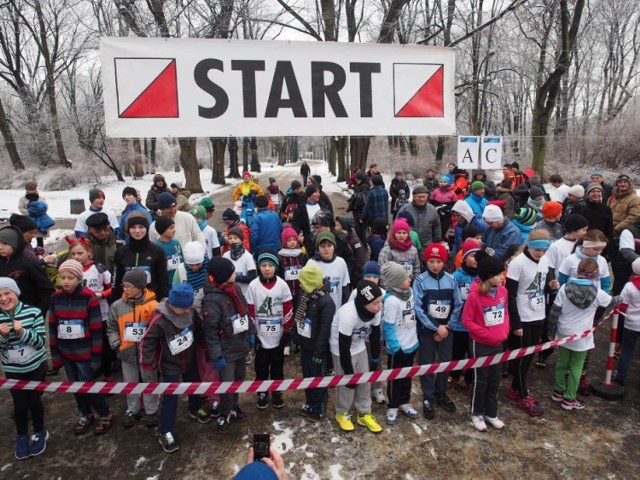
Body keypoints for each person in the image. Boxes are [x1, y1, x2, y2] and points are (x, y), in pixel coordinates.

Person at [141, 284, 210, 452]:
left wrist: (205, 347)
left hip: (190, 359)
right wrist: (147, 362)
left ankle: (195, 408)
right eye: (182, 308)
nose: (186, 311)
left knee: (194, 385)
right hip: (170, 364)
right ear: (171, 304)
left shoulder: (191, 312)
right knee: (170, 397)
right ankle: (165, 431)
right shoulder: (160, 320)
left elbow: (199, 330)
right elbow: (147, 341)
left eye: (188, 307)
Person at [49, 259, 115, 436]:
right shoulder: (55, 298)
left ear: (79, 278)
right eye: (62, 277)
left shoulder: (89, 297)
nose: (66, 281)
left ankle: (105, 413)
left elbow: (96, 330)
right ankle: (86, 413)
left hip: (85, 352)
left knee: (87, 384)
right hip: (66, 352)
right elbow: (53, 328)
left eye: (70, 277)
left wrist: (95, 357)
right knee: (73, 385)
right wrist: (55, 355)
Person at [548, 258, 614, 410]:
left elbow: (554, 312)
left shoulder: (564, 288)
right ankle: (570, 399)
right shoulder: (598, 293)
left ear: (578, 271)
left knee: (562, 362)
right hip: (582, 335)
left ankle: (558, 391)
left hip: (564, 331)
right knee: (576, 366)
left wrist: (551, 332)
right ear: (595, 275)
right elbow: (612, 302)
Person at [505, 229, 558, 417]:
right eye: (538, 251)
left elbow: (541, 284)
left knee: (531, 355)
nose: (541, 254)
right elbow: (510, 295)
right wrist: (516, 323)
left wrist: (550, 287)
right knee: (521, 356)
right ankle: (522, 394)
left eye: (544, 251)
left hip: (539, 313)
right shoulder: (517, 263)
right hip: (522, 315)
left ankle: (515, 388)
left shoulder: (545, 260)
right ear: (529, 246)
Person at [201, 256, 256, 433]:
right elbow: (210, 331)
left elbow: (245, 312)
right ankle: (224, 413)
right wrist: (216, 355)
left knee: (239, 379)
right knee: (227, 383)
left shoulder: (235, 288)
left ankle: (234, 405)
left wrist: (251, 332)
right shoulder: (211, 299)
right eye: (232, 271)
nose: (236, 273)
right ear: (224, 275)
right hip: (226, 351)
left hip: (240, 344)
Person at [0, 277, 48, 459]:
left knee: (34, 401)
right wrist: (3, 337)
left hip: (34, 366)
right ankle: (22, 435)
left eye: (7, 293)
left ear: (16, 293)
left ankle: (40, 431)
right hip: (13, 369)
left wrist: (22, 332)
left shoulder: (33, 312)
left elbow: (41, 341)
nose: (3, 298)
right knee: (19, 405)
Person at [461, 254, 510, 432]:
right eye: (498, 275)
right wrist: (486, 333)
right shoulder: (474, 296)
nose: (502, 277)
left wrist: (504, 330)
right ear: (488, 277)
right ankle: (477, 413)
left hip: (498, 343)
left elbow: (505, 313)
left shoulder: (503, 291)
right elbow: (467, 321)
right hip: (480, 343)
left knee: (495, 379)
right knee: (480, 380)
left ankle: (491, 413)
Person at [413, 243, 462, 420]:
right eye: (431, 261)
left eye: (439, 261)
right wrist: (435, 326)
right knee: (427, 362)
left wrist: (448, 326)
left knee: (445, 362)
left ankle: (441, 392)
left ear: (444, 261)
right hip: (428, 330)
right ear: (426, 261)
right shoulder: (419, 282)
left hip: (447, 330)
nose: (435, 265)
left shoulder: (451, 279)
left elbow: (458, 304)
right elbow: (418, 308)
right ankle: (428, 395)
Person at [106, 269, 160, 428]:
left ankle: (151, 410)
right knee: (130, 383)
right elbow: (111, 328)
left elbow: (158, 329)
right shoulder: (117, 306)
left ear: (141, 287)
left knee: (150, 381)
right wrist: (116, 344)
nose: (125, 289)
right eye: (124, 286)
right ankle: (133, 409)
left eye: (129, 286)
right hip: (126, 353)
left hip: (147, 354)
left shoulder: (153, 306)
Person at [330, 280, 384, 433]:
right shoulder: (348, 314)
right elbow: (343, 344)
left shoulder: (376, 310)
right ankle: (342, 412)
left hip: (359, 345)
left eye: (380, 302)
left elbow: (375, 335)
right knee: (346, 382)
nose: (379, 306)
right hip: (341, 348)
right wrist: (348, 370)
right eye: (375, 303)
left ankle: (364, 413)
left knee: (364, 380)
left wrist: (374, 359)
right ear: (364, 303)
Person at [246, 251, 293, 409]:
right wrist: (253, 332)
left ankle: (277, 391)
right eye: (263, 265)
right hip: (261, 335)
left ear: (276, 267)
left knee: (278, 365)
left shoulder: (282, 285)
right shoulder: (253, 286)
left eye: (270, 265)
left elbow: (288, 309)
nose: (267, 268)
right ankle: (262, 391)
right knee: (261, 366)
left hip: (278, 335)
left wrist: (286, 331)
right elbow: (250, 310)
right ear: (259, 267)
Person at [292, 263, 336, 422]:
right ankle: (310, 402)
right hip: (306, 345)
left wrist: (319, 352)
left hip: (318, 350)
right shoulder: (306, 296)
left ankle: (318, 408)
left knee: (318, 378)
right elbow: (298, 319)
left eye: (302, 281)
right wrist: (295, 338)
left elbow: (325, 331)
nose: (300, 284)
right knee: (307, 376)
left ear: (310, 281)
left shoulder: (326, 302)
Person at [67, 237, 114, 381]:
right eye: (73, 254)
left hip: (100, 314)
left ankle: (107, 374)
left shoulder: (99, 269)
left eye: (80, 253)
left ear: (89, 253)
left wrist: (100, 295)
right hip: (79, 316)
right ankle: (91, 372)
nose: (76, 257)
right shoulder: (69, 269)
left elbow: (112, 288)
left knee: (104, 346)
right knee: (87, 345)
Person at [380, 262, 420, 425]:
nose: (409, 279)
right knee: (395, 378)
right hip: (398, 349)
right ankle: (393, 405)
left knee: (407, 376)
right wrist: (396, 348)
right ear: (396, 282)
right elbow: (388, 327)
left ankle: (404, 401)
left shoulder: (409, 293)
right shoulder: (390, 301)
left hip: (411, 344)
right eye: (404, 278)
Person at [450, 239, 482, 391]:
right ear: (464, 258)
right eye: (472, 255)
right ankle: (454, 376)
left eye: (478, 256)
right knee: (457, 352)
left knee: (472, 354)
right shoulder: (456, 276)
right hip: (459, 324)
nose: (475, 259)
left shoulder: (483, 276)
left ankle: (470, 378)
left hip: (476, 324)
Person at [0, 226, 55, 314]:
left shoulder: (29, 263)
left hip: (27, 313)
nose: (0, 247)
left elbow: (47, 290)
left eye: (4, 243)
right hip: (4, 315)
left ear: (14, 243)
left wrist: (39, 313)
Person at [112, 214, 168, 301]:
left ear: (146, 228)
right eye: (133, 227)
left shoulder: (157, 251)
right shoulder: (120, 252)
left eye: (141, 227)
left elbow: (163, 281)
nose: (137, 231)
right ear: (128, 230)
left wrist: (161, 300)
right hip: (127, 301)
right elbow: (116, 281)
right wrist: (115, 301)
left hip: (151, 301)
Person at [307, 232, 350, 313]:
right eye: (322, 246)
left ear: (334, 247)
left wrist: (345, 309)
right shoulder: (311, 263)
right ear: (318, 248)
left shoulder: (341, 262)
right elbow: (307, 291)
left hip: (337, 310)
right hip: (318, 312)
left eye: (329, 246)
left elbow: (345, 287)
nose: (326, 249)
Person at [613, 258, 640, 388]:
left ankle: (620, 377)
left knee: (627, 351)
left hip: (632, 323)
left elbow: (622, 306)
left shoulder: (629, 286)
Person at [397, 185, 442, 258]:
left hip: (426, 247)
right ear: (414, 197)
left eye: (424, 197)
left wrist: (436, 242)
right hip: (409, 247)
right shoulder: (405, 210)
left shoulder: (432, 210)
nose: (422, 199)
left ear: (427, 196)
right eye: (419, 197)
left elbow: (437, 227)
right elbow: (397, 228)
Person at [377, 219, 421, 290]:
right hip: (392, 289)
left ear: (408, 234)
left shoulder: (413, 250)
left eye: (404, 233)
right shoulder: (387, 250)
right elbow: (382, 272)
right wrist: (388, 290)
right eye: (399, 233)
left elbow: (416, 269)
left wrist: (416, 287)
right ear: (394, 233)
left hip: (409, 288)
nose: (401, 235)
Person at [292, 184, 332, 252]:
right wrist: (300, 234)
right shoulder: (301, 208)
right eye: (316, 192)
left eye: (319, 192)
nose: (318, 194)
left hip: (323, 239)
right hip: (308, 242)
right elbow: (295, 224)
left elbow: (330, 221)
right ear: (309, 194)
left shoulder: (323, 206)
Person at [172, 241, 209, 312]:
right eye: (191, 265)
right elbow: (175, 291)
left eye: (198, 264)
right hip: (187, 311)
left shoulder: (209, 267)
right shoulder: (180, 270)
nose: (194, 267)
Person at [277, 226, 308, 307]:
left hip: (300, 292)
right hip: (285, 292)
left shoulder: (303, 256)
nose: (292, 242)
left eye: (294, 239)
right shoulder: (280, 257)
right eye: (289, 240)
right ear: (284, 242)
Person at [582, 183, 615, 258]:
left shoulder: (606, 209)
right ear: (588, 194)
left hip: (600, 246)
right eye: (593, 191)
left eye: (598, 191)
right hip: (585, 244)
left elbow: (609, 230)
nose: (596, 194)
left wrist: (609, 249)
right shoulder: (581, 208)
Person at [222, 227, 257, 296]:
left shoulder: (247, 256)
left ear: (241, 240)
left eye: (235, 238)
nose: (233, 241)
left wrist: (235, 278)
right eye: (230, 238)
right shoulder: (225, 255)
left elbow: (253, 277)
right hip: (229, 294)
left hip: (245, 294)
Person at [153, 216, 183, 288]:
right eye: (171, 228)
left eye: (174, 227)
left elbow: (182, 260)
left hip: (180, 283)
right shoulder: (156, 247)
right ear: (162, 230)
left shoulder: (176, 243)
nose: (174, 230)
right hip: (166, 286)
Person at [335, 216, 366, 286]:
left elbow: (360, 259)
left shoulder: (355, 241)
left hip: (352, 276)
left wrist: (355, 276)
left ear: (344, 226)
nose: (335, 228)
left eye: (337, 225)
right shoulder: (340, 238)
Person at [608, 174, 640, 239]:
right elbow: (606, 212)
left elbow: (633, 217)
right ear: (617, 184)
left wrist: (616, 229)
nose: (622, 184)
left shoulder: (635, 199)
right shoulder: (612, 197)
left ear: (629, 184)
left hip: (623, 233)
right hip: (609, 230)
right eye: (620, 182)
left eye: (625, 182)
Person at [18, 181, 48, 248]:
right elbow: (21, 208)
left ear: (35, 189)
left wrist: (38, 212)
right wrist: (30, 212)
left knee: (39, 238)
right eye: (29, 190)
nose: (31, 191)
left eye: (33, 190)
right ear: (27, 190)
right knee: (28, 238)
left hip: (39, 220)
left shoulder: (41, 198)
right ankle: (28, 252)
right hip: (28, 220)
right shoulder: (23, 199)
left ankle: (40, 252)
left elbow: (45, 208)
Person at [347, 172, 370, 243]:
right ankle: (360, 245)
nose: (356, 180)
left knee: (361, 231)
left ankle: (363, 246)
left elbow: (364, 199)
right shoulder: (359, 185)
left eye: (357, 179)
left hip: (361, 211)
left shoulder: (364, 186)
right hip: (357, 211)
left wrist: (356, 200)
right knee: (357, 229)